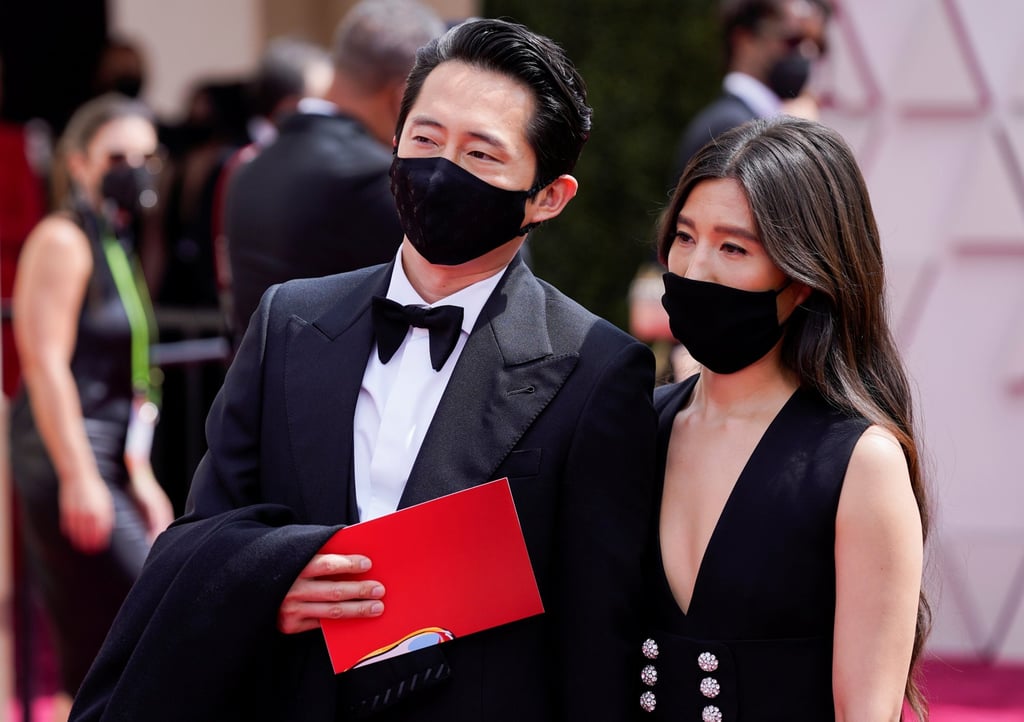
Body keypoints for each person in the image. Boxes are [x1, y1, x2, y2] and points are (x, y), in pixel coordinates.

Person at [69, 17, 658, 722]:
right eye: (426, 139)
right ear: (394, 142)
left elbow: (596, 637)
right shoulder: (291, 319)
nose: (442, 170)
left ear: (549, 197)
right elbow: (208, 527)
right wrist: (272, 581)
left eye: (482, 156)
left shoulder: (597, 368)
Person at [638, 116, 929, 720]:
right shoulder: (638, 428)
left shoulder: (858, 462)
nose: (695, 270)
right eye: (685, 237)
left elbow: (865, 712)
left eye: (734, 247)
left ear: (805, 280)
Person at [8, 93, 175, 722]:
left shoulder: (116, 239)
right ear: (79, 164)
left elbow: (129, 374)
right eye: (117, 156)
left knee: (103, 643)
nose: (134, 168)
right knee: (140, 614)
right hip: (65, 452)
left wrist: (140, 476)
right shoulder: (63, 238)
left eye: (145, 156)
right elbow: (45, 364)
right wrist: (81, 475)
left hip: (109, 453)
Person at [223, 0, 445, 346]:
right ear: (403, 93)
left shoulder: (249, 168)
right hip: (344, 396)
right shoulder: (379, 179)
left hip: (255, 392)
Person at [669, 0, 829, 185]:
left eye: (818, 45)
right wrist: (800, 142)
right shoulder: (731, 126)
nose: (807, 53)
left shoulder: (748, 120)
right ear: (744, 40)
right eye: (792, 41)